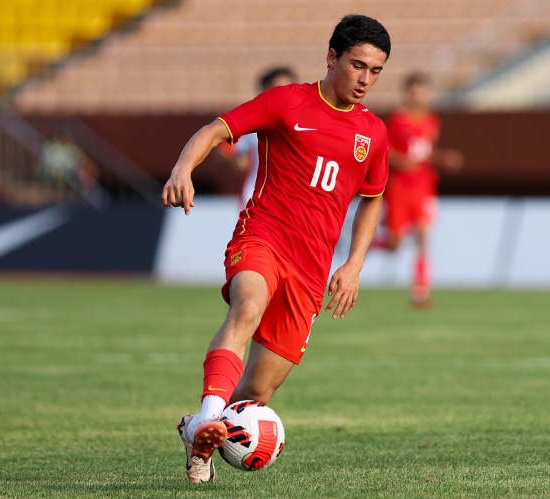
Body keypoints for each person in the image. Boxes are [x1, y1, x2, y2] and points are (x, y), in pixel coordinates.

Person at [161, 14, 391, 483]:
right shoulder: (287, 102)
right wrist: (182, 168)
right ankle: (207, 426)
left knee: (257, 393)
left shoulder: (374, 132)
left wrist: (354, 265)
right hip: (262, 236)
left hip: (311, 269)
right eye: (357, 65)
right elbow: (216, 130)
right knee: (247, 308)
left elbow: (373, 198)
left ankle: (200, 428)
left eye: (375, 71)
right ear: (332, 57)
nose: (365, 79)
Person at [378, 71, 463, 308]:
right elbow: (384, 150)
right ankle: (369, 244)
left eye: (423, 91)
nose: (419, 96)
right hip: (399, 188)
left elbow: (426, 152)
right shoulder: (398, 121)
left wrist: (443, 158)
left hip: (424, 186)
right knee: (395, 245)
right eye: (415, 92)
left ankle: (420, 293)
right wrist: (400, 161)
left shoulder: (432, 121)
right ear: (407, 94)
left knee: (424, 237)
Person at [219, 67, 298, 205]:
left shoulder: (307, 123)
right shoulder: (253, 124)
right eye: (278, 90)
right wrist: (235, 160)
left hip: (294, 202)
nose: (285, 95)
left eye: (290, 88)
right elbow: (223, 151)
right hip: (257, 201)